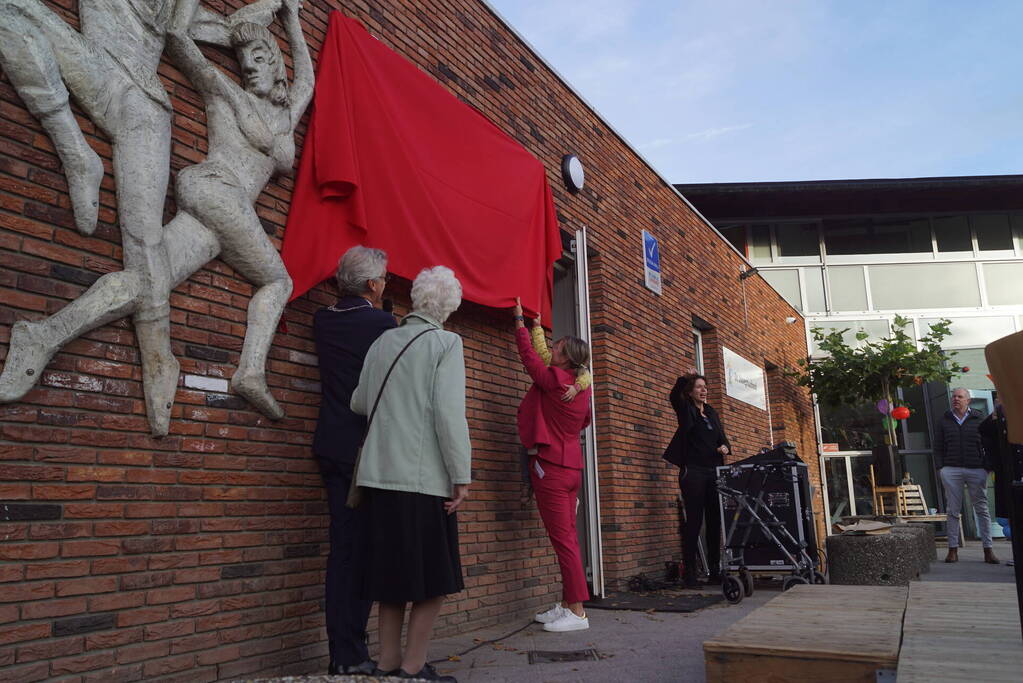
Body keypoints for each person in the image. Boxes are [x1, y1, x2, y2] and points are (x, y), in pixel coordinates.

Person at [0, 0, 313, 427]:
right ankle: (250, 373)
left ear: (276, 62)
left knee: (148, 281)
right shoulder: (225, 91)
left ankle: (43, 335)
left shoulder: (288, 113)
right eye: (244, 61)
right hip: (217, 190)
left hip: (218, 216)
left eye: (258, 58)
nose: (249, 68)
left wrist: (293, 18)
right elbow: (180, 39)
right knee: (279, 280)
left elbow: (307, 79)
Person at [351, 266, 471, 682]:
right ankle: (413, 667)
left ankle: (387, 663)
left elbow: (359, 402)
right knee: (433, 580)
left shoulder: (383, 341)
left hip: (377, 478)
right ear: (449, 307)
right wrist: (461, 474)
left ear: (418, 298)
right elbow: (449, 415)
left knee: (390, 578)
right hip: (422, 479)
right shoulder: (446, 342)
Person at [312, 246, 395, 675]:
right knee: (360, 553)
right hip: (365, 451)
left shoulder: (322, 319)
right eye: (384, 278)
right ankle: (351, 654)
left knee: (343, 550)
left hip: (331, 444)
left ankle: (342, 653)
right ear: (372, 284)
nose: (386, 284)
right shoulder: (381, 324)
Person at [512, 299, 594, 633]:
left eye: (557, 347)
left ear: (566, 358)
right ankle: (568, 603)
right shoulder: (580, 388)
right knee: (567, 538)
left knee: (564, 542)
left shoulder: (555, 380)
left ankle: (577, 612)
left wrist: (520, 323)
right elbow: (585, 420)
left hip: (552, 469)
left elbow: (529, 357)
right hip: (570, 467)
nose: (552, 348)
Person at [662, 370, 730, 588]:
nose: (704, 390)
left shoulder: (711, 412)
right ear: (690, 392)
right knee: (694, 522)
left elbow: (723, 439)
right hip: (693, 472)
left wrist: (725, 446)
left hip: (713, 472)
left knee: (714, 521)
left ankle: (714, 571)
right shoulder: (686, 409)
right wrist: (684, 379)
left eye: (705, 387)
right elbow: (674, 396)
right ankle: (690, 574)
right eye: (699, 387)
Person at [935, 387, 998, 564]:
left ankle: (988, 550)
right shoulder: (944, 420)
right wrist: (941, 468)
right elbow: (938, 446)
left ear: (968, 400)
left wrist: (987, 466)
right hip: (951, 469)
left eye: (960, 397)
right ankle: (952, 550)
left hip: (976, 469)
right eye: (954, 396)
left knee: (982, 509)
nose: (956, 399)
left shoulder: (979, 418)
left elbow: (990, 443)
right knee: (952, 510)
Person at [980, 396, 1023, 566]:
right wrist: (996, 413)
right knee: (1012, 516)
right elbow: (983, 430)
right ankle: (1018, 555)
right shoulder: (997, 422)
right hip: (1008, 474)